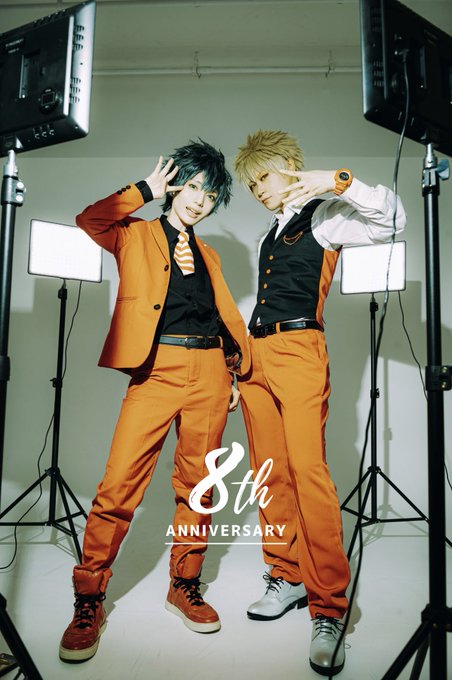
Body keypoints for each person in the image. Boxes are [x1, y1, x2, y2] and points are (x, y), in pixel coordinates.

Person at [59, 139, 250, 663]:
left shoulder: (210, 255)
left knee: (199, 488)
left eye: (210, 195)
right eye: (193, 187)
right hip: (155, 369)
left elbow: (218, 316)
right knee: (118, 485)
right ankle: (89, 598)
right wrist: (145, 189)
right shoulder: (134, 234)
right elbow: (90, 219)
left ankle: (183, 585)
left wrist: (232, 373)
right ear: (175, 186)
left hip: (210, 372)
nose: (200, 201)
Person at [234, 129, 406, 676]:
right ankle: (285, 576)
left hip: (300, 350)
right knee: (269, 474)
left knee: (308, 472)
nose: (259, 190)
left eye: (263, 177)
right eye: (251, 185)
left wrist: (338, 181)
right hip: (257, 357)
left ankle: (328, 607)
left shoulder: (326, 216)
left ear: (289, 165)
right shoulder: (269, 232)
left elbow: (393, 220)